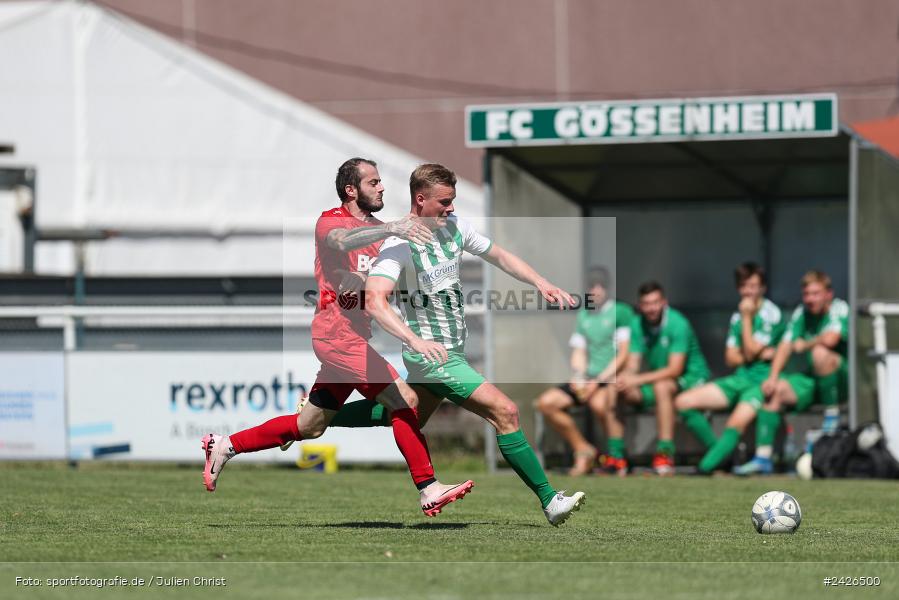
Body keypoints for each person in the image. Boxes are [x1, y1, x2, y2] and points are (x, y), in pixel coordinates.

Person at [201, 158, 474, 517]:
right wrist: (393, 228)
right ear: (351, 190)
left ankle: (224, 445)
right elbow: (342, 239)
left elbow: (381, 280)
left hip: (354, 338)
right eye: (373, 182)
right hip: (336, 337)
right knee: (405, 400)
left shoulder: (384, 233)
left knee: (309, 426)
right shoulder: (330, 220)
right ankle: (429, 488)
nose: (382, 188)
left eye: (380, 182)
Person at [321, 163, 586, 526]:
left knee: (398, 414)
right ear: (420, 200)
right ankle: (549, 500)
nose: (451, 208)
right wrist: (414, 339)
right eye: (444, 202)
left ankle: (320, 417)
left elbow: (500, 256)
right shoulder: (399, 245)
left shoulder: (456, 228)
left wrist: (541, 283)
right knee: (505, 412)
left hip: (451, 351)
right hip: (432, 356)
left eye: (453, 201)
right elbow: (376, 301)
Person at [733, 269, 848, 475]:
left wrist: (805, 344)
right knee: (775, 389)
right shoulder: (800, 313)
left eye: (816, 293)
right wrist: (772, 377)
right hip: (814, 380)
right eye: (806, 294)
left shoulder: (839, 308)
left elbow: (830, 339)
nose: (810, 299)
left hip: (845, 382)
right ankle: (763, 457)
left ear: (828, 294)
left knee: (820, 353)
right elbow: (785, 346)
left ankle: (832, 415)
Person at [675, 263, 785, 474]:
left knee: (736, 422)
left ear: (762, 288)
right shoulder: (737, 315)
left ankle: (705, 467)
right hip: (739, 378)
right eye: (744, 286)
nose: (748, 291)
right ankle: (720, 455)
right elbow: (731, 359)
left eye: (753, 285)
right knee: (683, 402)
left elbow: (749, 352)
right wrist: (755, 351)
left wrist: (746, 320)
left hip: (761, 382)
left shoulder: (771, 313)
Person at [535, 266, 634, 476]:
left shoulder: (621, 312)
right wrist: (579, 377)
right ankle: (583, 449)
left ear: (607, 288)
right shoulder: (584, 315)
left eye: (599, 286)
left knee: (600, 405)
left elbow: (623, 355)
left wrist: (597, 381)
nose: (595, 290)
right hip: (588, 378)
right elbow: (579, 352)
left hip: (610, 378)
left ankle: (617, 458)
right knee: (546, 403)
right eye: (591, 286)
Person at [613, 281, 711, 475]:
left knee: (661, 387)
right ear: (640, 306)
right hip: (659, 380)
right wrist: (625, 378)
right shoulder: (636, 324)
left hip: (691, 379)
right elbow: (633, 363)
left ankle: (665, 453)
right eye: (646, 304)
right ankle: (616, 456)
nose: (651, 308)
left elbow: (675, 370)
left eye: (655, 302)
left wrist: (637, 379)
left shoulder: (678, 323)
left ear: (664, 302)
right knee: (618, 389)